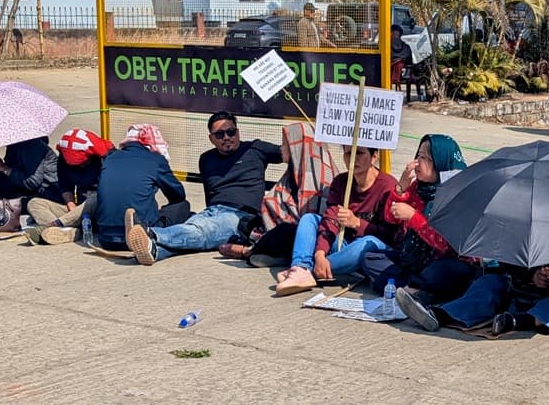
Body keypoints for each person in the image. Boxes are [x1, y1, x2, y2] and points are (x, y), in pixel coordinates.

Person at [125, 112, 284, 265]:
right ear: (211, 139)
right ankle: (155, 251)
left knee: (201, 232)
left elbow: (289, 152)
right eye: (220, 134)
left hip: (241, 216)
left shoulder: (255, 149)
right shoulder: (206, 159)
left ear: (238, 132)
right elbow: (210, 193)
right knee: (193, 233)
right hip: (211, 212)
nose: (227, 137)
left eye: (231, 132)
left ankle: (151, 233)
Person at [396, 247, 549, 335]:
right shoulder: (535, 217)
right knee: (491, 283)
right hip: (528, 290)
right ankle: (439, 315)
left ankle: (521, 322)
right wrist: (533, 274)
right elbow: (510, 260)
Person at [361, 134, 476, 306]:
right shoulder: (417, 187)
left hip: (444, 262)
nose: (417, 163)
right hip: (414, 262)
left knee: (450, 271)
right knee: (370, 258)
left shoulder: (456, 194)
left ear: (440, 163)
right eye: (418, 156)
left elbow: (445, 244)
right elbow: (390, 218)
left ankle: (414, 289)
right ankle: (417, 291)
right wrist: (401, 189)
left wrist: (414, 217)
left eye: (426, 158)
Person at [275, 145, 397, 296]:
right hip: (343, 243)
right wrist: (320, 253)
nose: (353, 159)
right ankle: (301, 267)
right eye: (348, 154)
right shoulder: (341, 181)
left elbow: (392, 235)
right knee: (310, 219)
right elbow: (330, 220)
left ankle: (310, 272)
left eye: (359, 153)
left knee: (366, 243)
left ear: (374, 156)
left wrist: (358, 223)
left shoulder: (388, 186)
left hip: (372, 250)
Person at [216, 122, 338, 262]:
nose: (281, 149)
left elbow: (314, 219)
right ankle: (272, 253)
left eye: (285, 145)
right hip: (282, 226)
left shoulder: (319, 176)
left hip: (310, 235)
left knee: (286, 232)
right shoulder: (293, 172)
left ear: (296, 147)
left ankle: (248, 251)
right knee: (246, 223)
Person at [95, 124, 186, 251]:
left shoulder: (110, 158)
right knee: (183, 206)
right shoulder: (156, 160)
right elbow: (178, 195)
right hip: (141, 234)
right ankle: (151, 236)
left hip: (105, 238)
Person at [24, 129, 114, 245]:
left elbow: (109, 193)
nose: (79, 168)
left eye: (83, 164)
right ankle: (68, 232)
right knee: (34, 203)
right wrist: (71, 205)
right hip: (77, 212)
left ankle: (50, 227)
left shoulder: (107, 158)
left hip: (99, 210)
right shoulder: (63, 159)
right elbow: (65, 185)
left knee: (96, 198)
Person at [0, 137, 59, 209]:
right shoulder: (15, 145)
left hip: (47, 190)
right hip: (27, 185)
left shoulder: (32, 146)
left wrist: (4, 168)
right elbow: (13, 167)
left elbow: (32, 182)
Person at [391, 24, 413, 95]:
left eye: (397, 35)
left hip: (402, 71)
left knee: (399, 63)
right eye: (394, 34)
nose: (395, 36)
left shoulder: (405, 47)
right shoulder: (386, 46)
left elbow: (409, 60)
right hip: (390, 69)